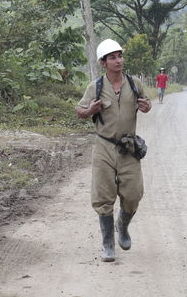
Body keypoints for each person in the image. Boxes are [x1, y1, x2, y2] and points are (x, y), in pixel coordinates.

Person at [75, 39, 152, 262]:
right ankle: (108, 244)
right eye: (112, 57)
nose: (118, 60)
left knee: (133, 194)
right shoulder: (95, 86)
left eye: (120, 56)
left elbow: (145, 104)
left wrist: (147, 106)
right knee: (103, 195)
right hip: (104, 147)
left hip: (128, 148)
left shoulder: (134, 82)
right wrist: (89, 110)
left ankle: (123, 226)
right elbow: (80, 111)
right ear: (103, 62)